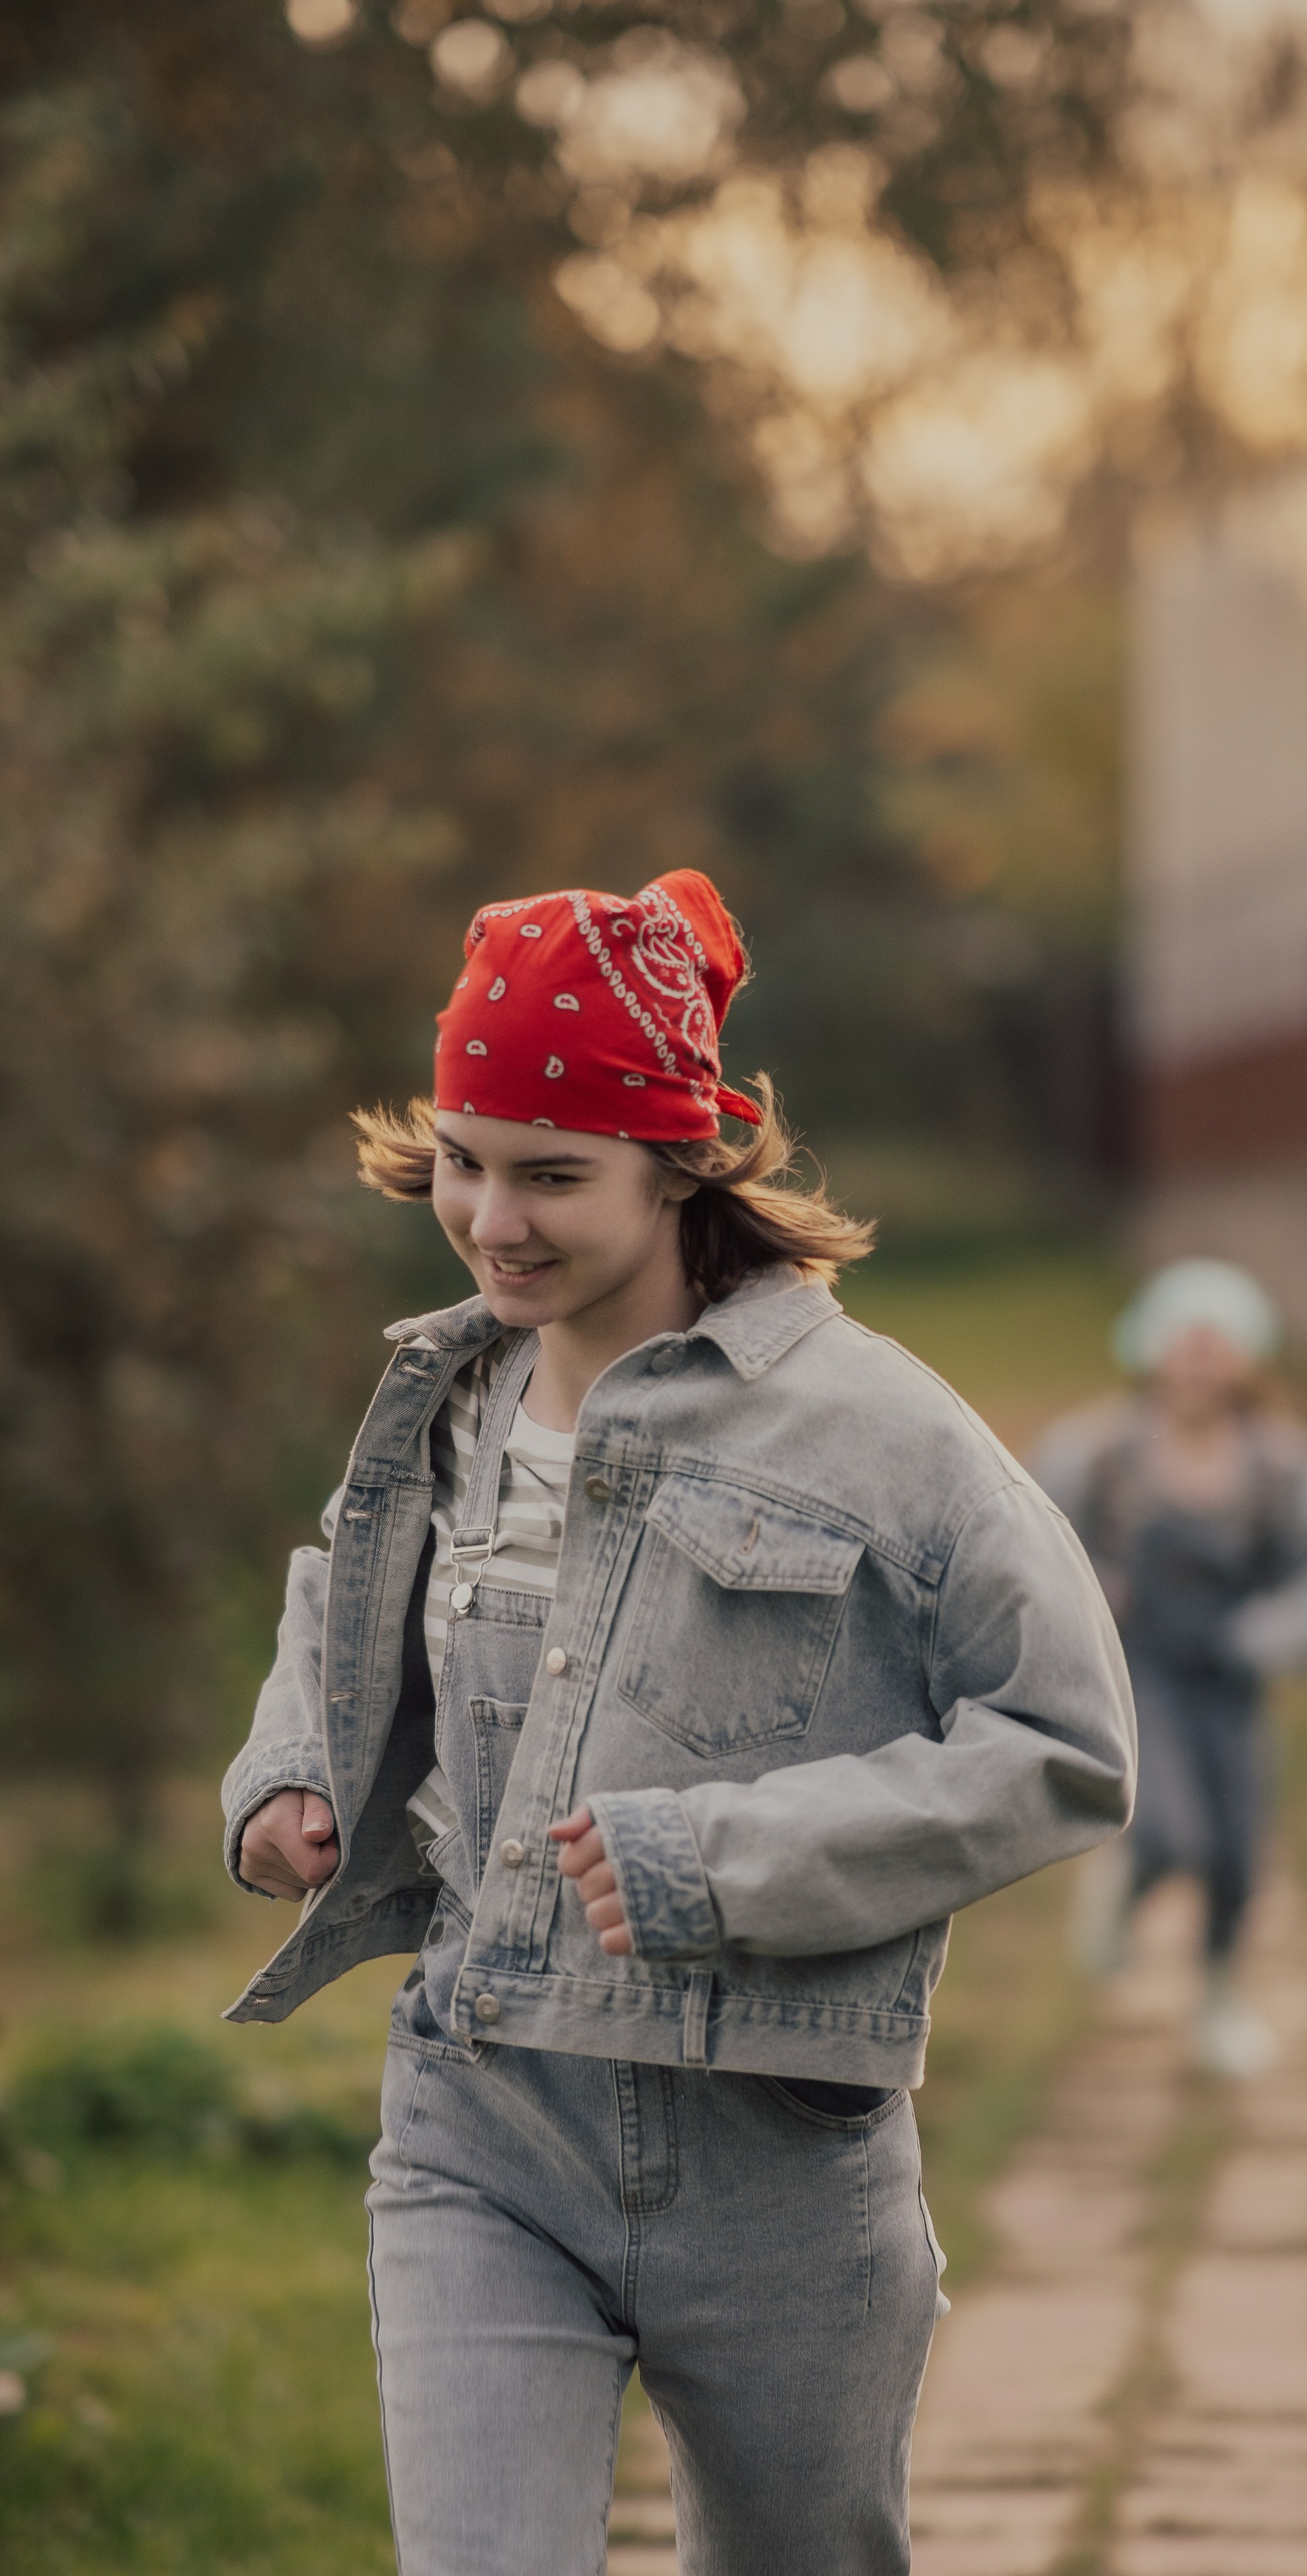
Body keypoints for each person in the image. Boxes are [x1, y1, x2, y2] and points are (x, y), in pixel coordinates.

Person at [220, 871, 1134, 2576]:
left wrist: (724, 1861)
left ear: (680, 1159)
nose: (492, 1215)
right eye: (462, 1159)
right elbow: (338, 1590)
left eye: (550, 1173)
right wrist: (288, 1767)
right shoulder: (441, 1392)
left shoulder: (884, 1433)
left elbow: (1064, 1735)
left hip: (778, 2153)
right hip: (478, 2113)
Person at [1031, 1259, 1307, 2077]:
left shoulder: (1282, 1463)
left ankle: (1221, 1998)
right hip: (1136, 1674)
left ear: (1247, 1357)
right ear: (1148, 1348)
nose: (1198, 1356)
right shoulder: (1095, 1452)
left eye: (1215, 1340)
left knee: (1235, 1854)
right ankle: (1124, 1894)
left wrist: (1279, 1631)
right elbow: (1030, 1543)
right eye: (1182, 1338)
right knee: (1162, 1828)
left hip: (1232, 1677)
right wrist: (1088, 1601)